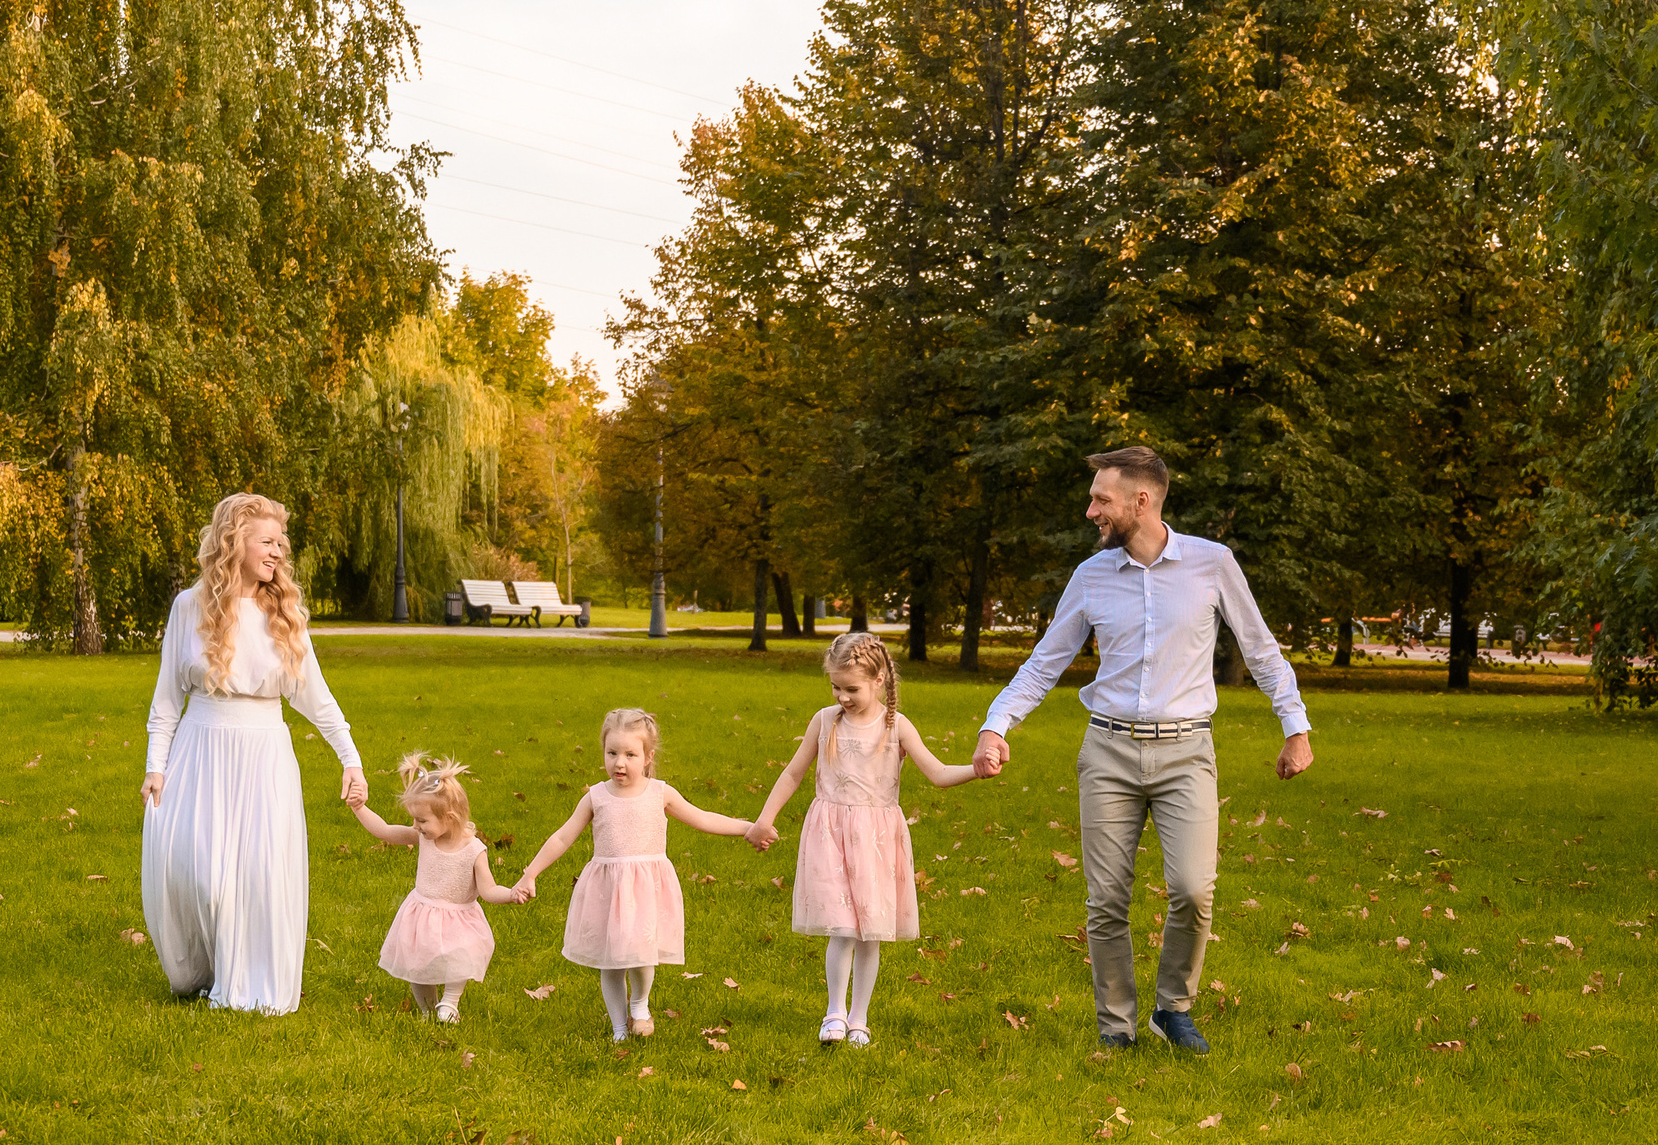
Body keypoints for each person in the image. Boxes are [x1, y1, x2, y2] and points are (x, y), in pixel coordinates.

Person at [973, 446, 1314, 1054]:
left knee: (1192, 890)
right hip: (1107, 751)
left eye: (1100, 500)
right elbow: (1044, 663)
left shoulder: (1213, 564)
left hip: (1187, 753)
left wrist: (1295, 727)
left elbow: (1261, 649)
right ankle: (1116, 1025)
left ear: (1141, 500)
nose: (1090, 511)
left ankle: (1173, 1008)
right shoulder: (1091, 576)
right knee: (1106, 899)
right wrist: (996, 725)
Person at [140, 492, 369, 1014]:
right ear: (233, 541)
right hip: (200, 750)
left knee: (257, 874)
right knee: (197, 870)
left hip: (264, 753)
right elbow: (166, 699)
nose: (278, 552)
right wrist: (156, 765)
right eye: (267, 541)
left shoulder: (284, 614)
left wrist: (349, 757)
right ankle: (202, 970)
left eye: (281, 543)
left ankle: (247, 983)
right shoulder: (189, 606)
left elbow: (317, 697)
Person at [747, 632, 976, 1046]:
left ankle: (859, 1018)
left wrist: (977, 770)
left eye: (851, 689)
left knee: (870, 931)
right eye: (836, 687)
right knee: (842, 927)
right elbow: (793, 773)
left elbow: (939, 774)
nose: (842, 697)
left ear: (879, 679)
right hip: (830, 836)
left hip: (876, 841)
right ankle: (834, 1012)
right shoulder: (824, 721)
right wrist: (765, 819)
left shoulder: (896, 727)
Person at [512, 707, 755, 1042]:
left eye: (630, 755)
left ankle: (639, 1003)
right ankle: (618, 1027)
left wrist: (748, 828)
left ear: (648, 756)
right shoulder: (596, 797)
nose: (619, 763)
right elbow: (562, 837)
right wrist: (530, 873)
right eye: (612, 753)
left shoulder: (660, 793)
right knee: (611, 962)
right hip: (608, 890)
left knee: (642, 955)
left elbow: (703, 818)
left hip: (646, 890)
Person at [350, 752, 528, 1024]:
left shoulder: (474, 850)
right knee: (419, 967)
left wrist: (511, 894)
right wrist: (359, 808)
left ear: (450, 817)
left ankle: (450, 1003)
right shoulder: (424, 838)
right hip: (422, 916)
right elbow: (386, 831)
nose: (416, 826)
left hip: (459, 919)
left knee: (459, 959)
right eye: (414, 819)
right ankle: (428, 1010)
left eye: (422, 821)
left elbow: (489, 890)